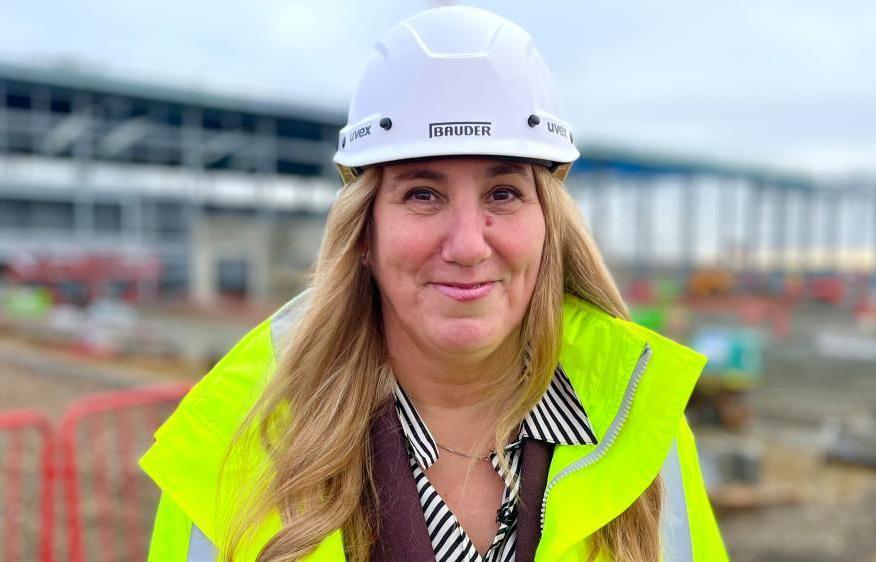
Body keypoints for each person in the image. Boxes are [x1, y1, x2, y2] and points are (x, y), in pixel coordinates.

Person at [140, 6, 727, 562]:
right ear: (365, 234)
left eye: (503, 193)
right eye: (423, 194)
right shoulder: (237, 449)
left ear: (548, 227)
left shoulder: (644, 429)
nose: (469, 244)